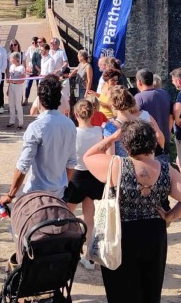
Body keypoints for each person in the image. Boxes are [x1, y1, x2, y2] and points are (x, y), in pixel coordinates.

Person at [83, 120, 181, 303]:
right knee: (149, 290)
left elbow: (88, 156)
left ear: (126, 144)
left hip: (120, 233)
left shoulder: (115, 166)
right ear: (152, 142)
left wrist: (111, 138)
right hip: (154, 233)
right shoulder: (166, 170)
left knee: (120, 289)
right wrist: (170, 215)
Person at [0, 76, 77, 208]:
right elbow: (71, 163)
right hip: (58, 192)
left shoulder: (36, 127)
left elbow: (23, 165)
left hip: (35, 193)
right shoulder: (69, 124)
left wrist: (10, 194)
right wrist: (63, 186)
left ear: (40, 100)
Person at [63, 99, 104, 271]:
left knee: (65, 216)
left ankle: (63, 251)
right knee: (90, 219)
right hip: (94, 175)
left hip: (76, 176)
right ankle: (89, 256)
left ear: (75, 114)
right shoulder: (98, 131)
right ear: (92, 113)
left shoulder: (72, 132)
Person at [101, 86, 165, 158]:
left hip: (122, 167)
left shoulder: (110, 128)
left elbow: (110, 158)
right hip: (144, 165)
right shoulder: (143, 122)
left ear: (112, 105)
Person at [135, 69, 173, 165]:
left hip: (147, 142)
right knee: (164, 171)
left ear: (139, 82)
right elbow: (171, 116)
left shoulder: (138, 98)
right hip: (165, 139)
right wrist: (167, 132)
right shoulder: (165, 94)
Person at [6, 52, 27, 129]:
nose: (11, 60)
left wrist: (13, 81)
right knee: (11, 104)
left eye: (12, 58)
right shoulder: (12, 66)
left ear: (15, 59)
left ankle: (20, 123)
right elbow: (10, 78)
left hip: (18, 87)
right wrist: (8, 87)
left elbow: (22, 80)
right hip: (11, 87)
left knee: (18, 105)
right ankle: (11, 121)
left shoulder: (21, 68)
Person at [24, 36, 41, 104]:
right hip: (31, 68)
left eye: (35, 42)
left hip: (38, 69)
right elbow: (25, 56)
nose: (34, 44)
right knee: (28, 85)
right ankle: (26, 99)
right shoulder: (30, 48)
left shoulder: (40, 49)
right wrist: (26, 66)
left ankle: (39, 101)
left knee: (38, 85)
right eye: (32, 43)